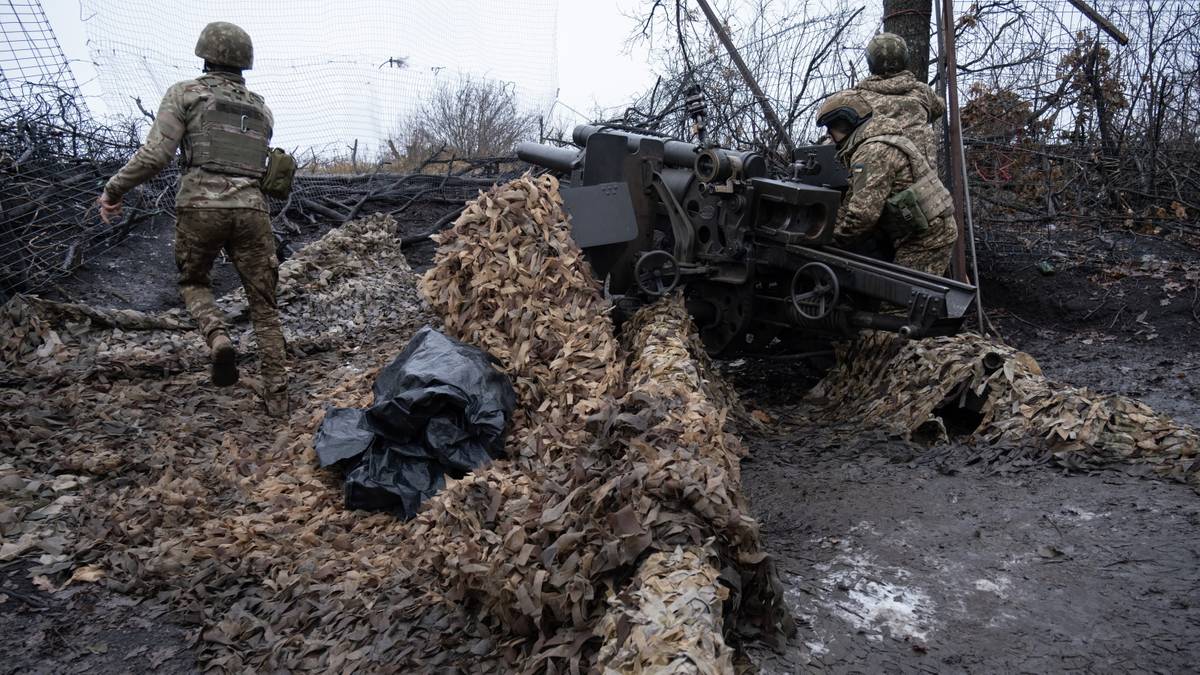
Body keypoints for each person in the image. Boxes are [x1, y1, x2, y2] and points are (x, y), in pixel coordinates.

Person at [96, 22, 288, 417]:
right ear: (244, 62)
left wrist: (113, 190)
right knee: (264, 305)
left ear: (205, 54)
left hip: (199, 207)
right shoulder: (262, 108)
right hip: (252, 211)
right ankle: (278, 399)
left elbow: (155, 156)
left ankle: (218, 338)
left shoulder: (185, 93)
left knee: (194, 281)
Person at [816, 89, 958, 276]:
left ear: (844, 124)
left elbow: (863, 216)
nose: (830, 135)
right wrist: (829, 227)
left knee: (901, 302)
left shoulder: (872, 152)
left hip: (927, 239)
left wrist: (827, 240)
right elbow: (855, 199)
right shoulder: (876, 143)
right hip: (921, 231)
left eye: (830, 128)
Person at [854, 32, 945, 172]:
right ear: (905, 60)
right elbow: (940, 108)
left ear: (871, 63)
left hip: (876, 179)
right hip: (923, 182)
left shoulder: (857, 97)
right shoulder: (922, 91)